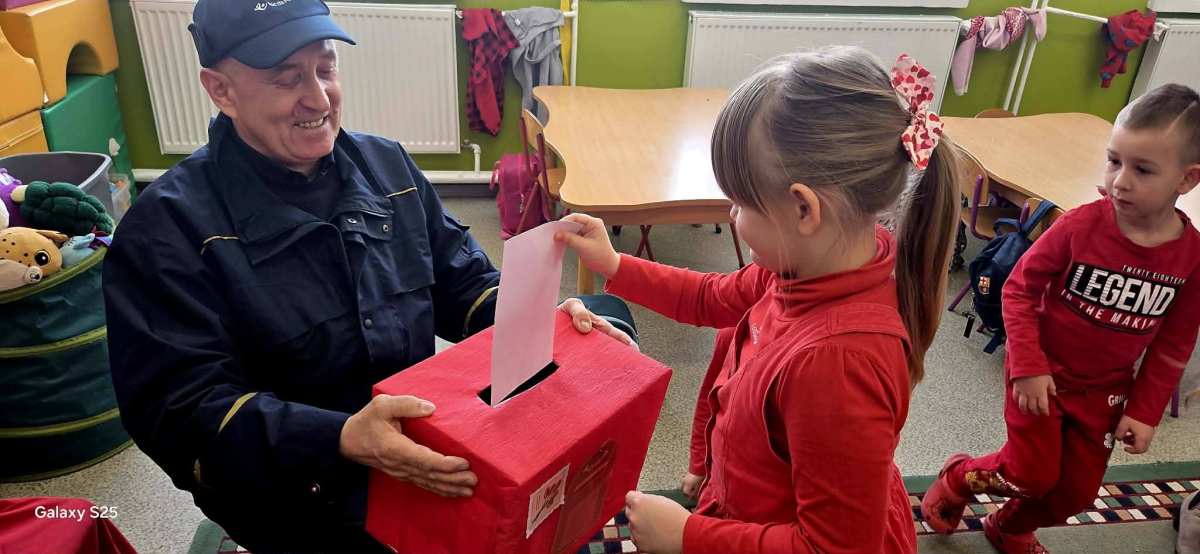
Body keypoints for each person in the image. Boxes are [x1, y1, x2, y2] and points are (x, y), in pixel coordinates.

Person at [102, 1, 634, 552]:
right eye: (286, 79)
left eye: (326, 67)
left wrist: (540, 320)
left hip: (423, 444)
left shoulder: (389, 167)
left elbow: (463, 282)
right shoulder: (166, 231)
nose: (318, 98)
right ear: (221, 90)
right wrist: (339, 438)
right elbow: (180, 413)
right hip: (296, 494)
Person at [555, 47, 962, 554]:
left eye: (741, 202)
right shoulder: (808, 264)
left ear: (803, 209)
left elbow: (832, 548)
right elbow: (709, 297)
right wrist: (615, 264)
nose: (732, 214)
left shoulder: (837, 365)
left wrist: (688, 536)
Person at [922, 83, 1200, 554]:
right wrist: (1028, 366)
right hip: (1041, 374)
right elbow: (1019, 289)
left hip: (1105, 393)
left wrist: (1144, 410)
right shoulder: (1079, 225)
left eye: (1142, 169)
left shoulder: (1191, 257)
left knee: (1076, 493)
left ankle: (1008, 526)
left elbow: (1174, 343)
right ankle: (960, 476)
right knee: (1030, 473)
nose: (1119, 181)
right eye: (1113, 161)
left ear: (1187, 179)